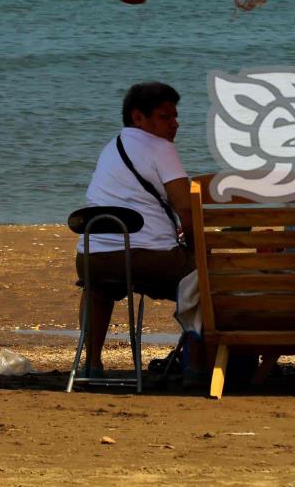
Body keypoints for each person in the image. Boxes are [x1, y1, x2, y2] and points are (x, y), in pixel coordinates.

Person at [76, 82, 203, 377]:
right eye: (165, 117)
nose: (175, 123)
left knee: (99, 287)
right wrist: (197, 247)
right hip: (146, 260)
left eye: (175, 116)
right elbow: (185, 207)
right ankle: (198, 365)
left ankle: (91, 363)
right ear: (138, 117)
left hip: (91, 259)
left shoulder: (111, 147)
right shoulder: (161, 147)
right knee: (207, 279)